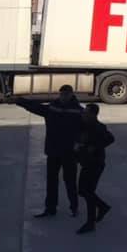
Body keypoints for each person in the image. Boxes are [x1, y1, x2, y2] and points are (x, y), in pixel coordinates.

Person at [15, 85, 82, 218]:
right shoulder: (53, 108)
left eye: (66, 94)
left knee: (70, 181)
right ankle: (51, 208)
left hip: (68, 153)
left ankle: (74, 207)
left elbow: (86, 129)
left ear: (71, 95)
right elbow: (35, 107)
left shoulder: (78, 111)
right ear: (60, 94)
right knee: (52, 181)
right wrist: (19, 101)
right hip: (54, 151)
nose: (64, 97)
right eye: (62, 94)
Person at [75, 103, 115, 235]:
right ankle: (102, 207)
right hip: (86, 163)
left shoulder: (99, 127)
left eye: (86, 113)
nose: (83, 114)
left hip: (95, 164)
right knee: (83, 191)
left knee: (88, 192)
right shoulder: (83, 125)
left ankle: (90, 223)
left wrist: (94, 147)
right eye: (84, 113)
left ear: (93, 115)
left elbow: (110, 139)